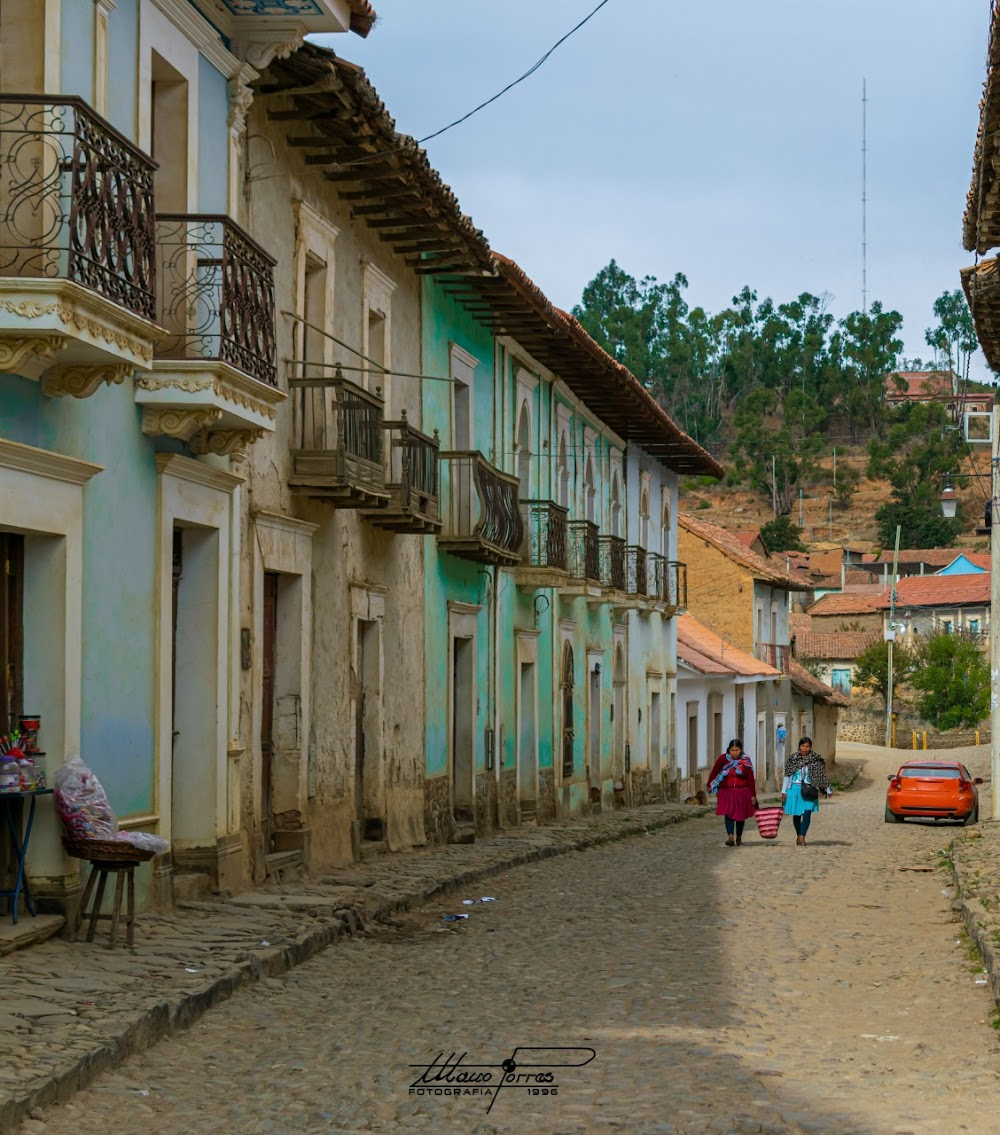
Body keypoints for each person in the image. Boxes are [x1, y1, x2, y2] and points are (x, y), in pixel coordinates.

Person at [782, 736, 832, 846]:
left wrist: (828, 790)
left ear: (810, 747)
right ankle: (799, 835)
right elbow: (787, 775)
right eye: (803, 746)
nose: (805, 748)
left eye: (807, 746)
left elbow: (821, 776)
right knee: (796, 815)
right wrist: (783, 791)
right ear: (799, 746)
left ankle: (802, 836)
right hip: (794, 789)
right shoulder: (793, 759)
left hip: (810, 790)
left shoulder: (815, 759)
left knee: (807, 813)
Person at [708, 739, 758, 847]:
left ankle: (739, 837)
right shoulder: (723, 759)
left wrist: (753, 794)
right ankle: (730, 837)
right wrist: (709, 784)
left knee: (740, 816)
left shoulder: (745, 761)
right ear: (729, 750)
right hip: (726, 791)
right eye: (732, 750)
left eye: (737, 750)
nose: (735, 752)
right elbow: (714, 771)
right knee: (729, 813)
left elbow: (750, 778)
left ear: (741, 750)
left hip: (742, 791)